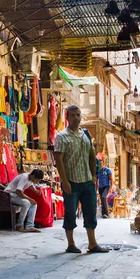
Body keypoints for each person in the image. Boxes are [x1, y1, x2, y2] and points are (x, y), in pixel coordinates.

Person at [54, 105, 109, 254]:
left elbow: (92, 156)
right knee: (70, 213)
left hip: (87, 181)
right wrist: (64, 181)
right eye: (72, 115)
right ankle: (71, 244)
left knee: (90, 213)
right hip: (71, 181)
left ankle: (92, 243)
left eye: (78, 115)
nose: (76, 118)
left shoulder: (85, 135)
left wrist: (92, 176)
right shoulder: (61, 136)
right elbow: (58, 159)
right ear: (67, 117)